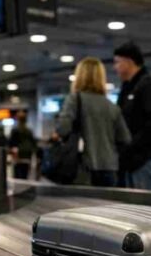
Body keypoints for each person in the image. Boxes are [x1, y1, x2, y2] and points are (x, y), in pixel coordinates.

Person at [56, 57, 132, 187]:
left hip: (82, 168)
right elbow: (125, 139)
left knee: (81, 207)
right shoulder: (112, 106)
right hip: (109, 169)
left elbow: (63, 128)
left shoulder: (75, 100)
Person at [113, 42, 151, 190]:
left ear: (129, 62)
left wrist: (131, 145)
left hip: (146, 161)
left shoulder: (148, 85)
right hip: (133, 161)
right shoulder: (128, 88)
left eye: (118, 62)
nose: (115, 67)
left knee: (146, 211)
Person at [8, 111, 38, 180]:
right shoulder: (29, 131)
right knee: (24, 176)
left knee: (17, 176)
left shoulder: (15, 130)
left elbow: (11, 144)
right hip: (27, 156)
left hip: (17, 156)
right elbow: (34, 144)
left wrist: (11, 151)